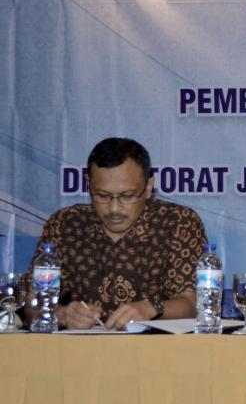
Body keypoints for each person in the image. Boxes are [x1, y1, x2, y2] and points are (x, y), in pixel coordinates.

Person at [26, 137, 207, 330]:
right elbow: (30, 305)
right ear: (89, 184)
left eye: (127, 196)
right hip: (81, 346)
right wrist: (61, 314)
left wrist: (151, 308)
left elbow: (194, 303)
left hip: (157, 346)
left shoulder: (178, 222)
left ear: (148, 188)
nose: (114, 208)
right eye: (102, 195)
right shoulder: (65, 224)